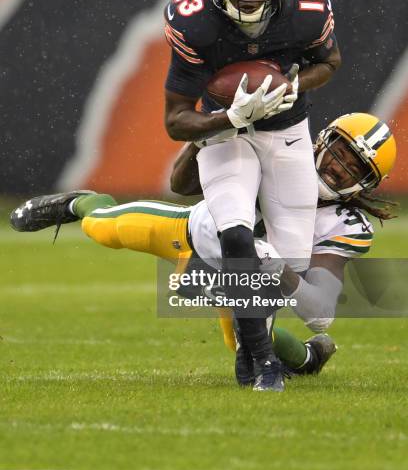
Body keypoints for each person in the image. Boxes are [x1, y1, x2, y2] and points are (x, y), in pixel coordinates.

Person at [10, 113, 397, 390]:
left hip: (246, 278)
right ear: (322, 141)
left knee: (242, 341)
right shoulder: (278, 152)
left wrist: (272, 266)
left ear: (364, 185)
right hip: (192, 232)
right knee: (103, 227)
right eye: (340, 153)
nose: (337, 169)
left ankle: (309, 359)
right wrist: (213, 127)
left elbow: (321, 312)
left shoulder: (344, 224)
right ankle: (81, 203)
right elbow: (181, 185)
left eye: (353, 167)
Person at [163, 0, 341, 389]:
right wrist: (230, 118)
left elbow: (330, 61)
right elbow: (175, 120)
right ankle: (261, 365)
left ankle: (256, 346)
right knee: (236, 235)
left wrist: (293, 84)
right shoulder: (193, 19)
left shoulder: (305, 10)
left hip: (287, 133)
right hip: (227, 135)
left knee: (287, 267)